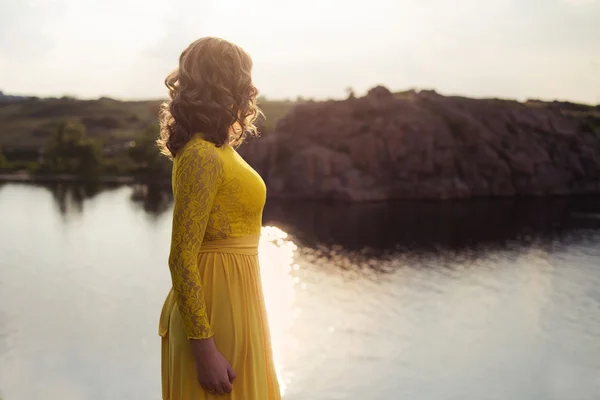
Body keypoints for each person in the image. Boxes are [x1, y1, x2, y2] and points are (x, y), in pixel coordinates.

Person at [157, 37, 281, 400]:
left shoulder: (219, 150)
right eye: (242, 77)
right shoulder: (201, 155)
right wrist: (204, 347)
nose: (249, 88)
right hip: (214, 309)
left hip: (240, 299)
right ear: (225, 81)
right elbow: (181, 256)